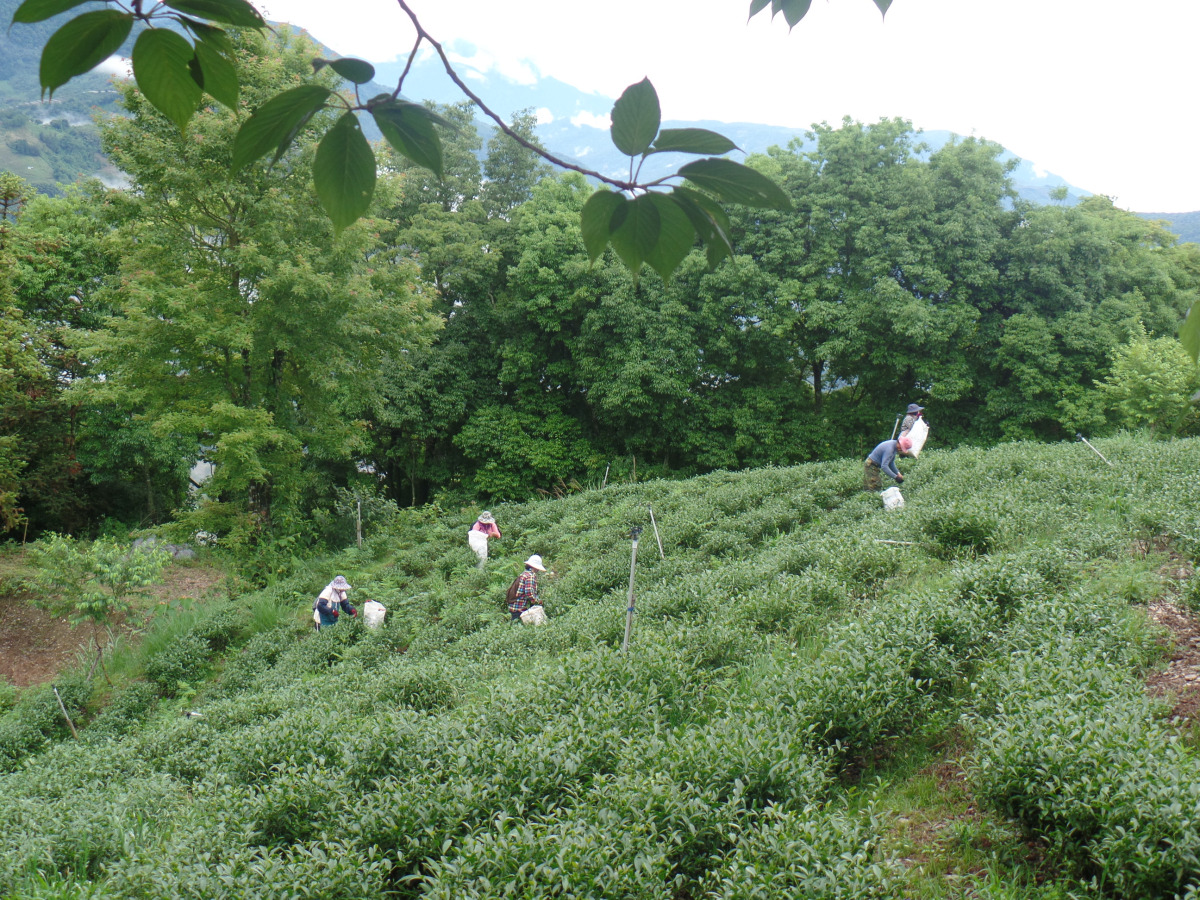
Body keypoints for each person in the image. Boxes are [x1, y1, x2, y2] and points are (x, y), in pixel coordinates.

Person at [508, 554, 546, 622]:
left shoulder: (524, 574)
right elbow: (529, 593)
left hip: (514, 606)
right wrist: (537, 601)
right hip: (519, 607)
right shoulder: (530, 576)